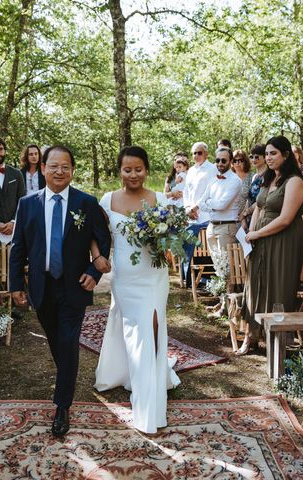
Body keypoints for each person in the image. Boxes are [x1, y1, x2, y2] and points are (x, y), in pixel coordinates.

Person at [10, 145, 111, 437]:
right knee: (56, 340)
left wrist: (93, 273)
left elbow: (102, 241)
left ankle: (62, 405)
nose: (59, 171)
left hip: (74, 286)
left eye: (65, 166)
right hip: (41, 286)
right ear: (43, 168)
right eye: (53, 166)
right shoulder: (27, 204)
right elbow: (18, 248)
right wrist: (16, 285)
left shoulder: (86, 202)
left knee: (68, 342)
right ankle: (67, 376)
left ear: (73, 170)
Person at [95, 146, 180, 433]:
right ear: (119, 171)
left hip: (154, 276)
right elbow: (94, 235)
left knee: (151, 328)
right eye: (127, 169)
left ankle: (148, 399)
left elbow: (173, 237)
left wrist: (166, 240)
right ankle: (131, 376)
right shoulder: (107, 200)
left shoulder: (160, 199)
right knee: (135, 329)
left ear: (147, 169)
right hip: (125, 279)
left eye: (138, 169)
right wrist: (98, 256)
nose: (133, 174)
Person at [240, 136, 303, 355]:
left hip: (282, 239)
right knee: (255, 283)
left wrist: (257, 232)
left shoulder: (294, 181)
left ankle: (275, 341)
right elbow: (259, 205)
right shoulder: (268, 178)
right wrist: (251, 231)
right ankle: (251, 336)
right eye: (266, 153)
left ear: (286, 155)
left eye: (273, 153)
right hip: (260, 238)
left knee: (277, 285)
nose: (268, 157)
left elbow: (286, 218)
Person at [197, 147, 242, 318]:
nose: (220, 164)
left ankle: (228, 307)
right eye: (217, 160)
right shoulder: (212, 180)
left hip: (227, 226)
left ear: (230, 161)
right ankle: (222, 302)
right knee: (218, 266)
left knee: (227, 268)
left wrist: (210, 203)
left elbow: (222, 204)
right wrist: (210, 203)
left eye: (224, 160)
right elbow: (201, 202)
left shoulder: (235, 181)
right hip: (212, 226)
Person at [181, 142, 217, 287]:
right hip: (191, 216)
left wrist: (197, 207)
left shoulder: (212, 169)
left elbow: (210, 191)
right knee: (188, 246)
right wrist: (188, 209)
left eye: (199, 153)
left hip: (205, 215)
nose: (196, 156)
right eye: (194, 153)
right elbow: (186, 192)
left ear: (206, 154)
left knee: (204, 249)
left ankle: (207, 281)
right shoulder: (190, 171)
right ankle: (189, 280)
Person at [240, 144, 267, 231]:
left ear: (265, 157)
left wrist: (246, 212)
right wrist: (243, 219)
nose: (253, 160)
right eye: (251, 157)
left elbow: (262, 200)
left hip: (261, 217)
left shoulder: (268, 176)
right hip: (249, 218)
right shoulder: (254, 176)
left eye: (257, 157)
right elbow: (249, 199)